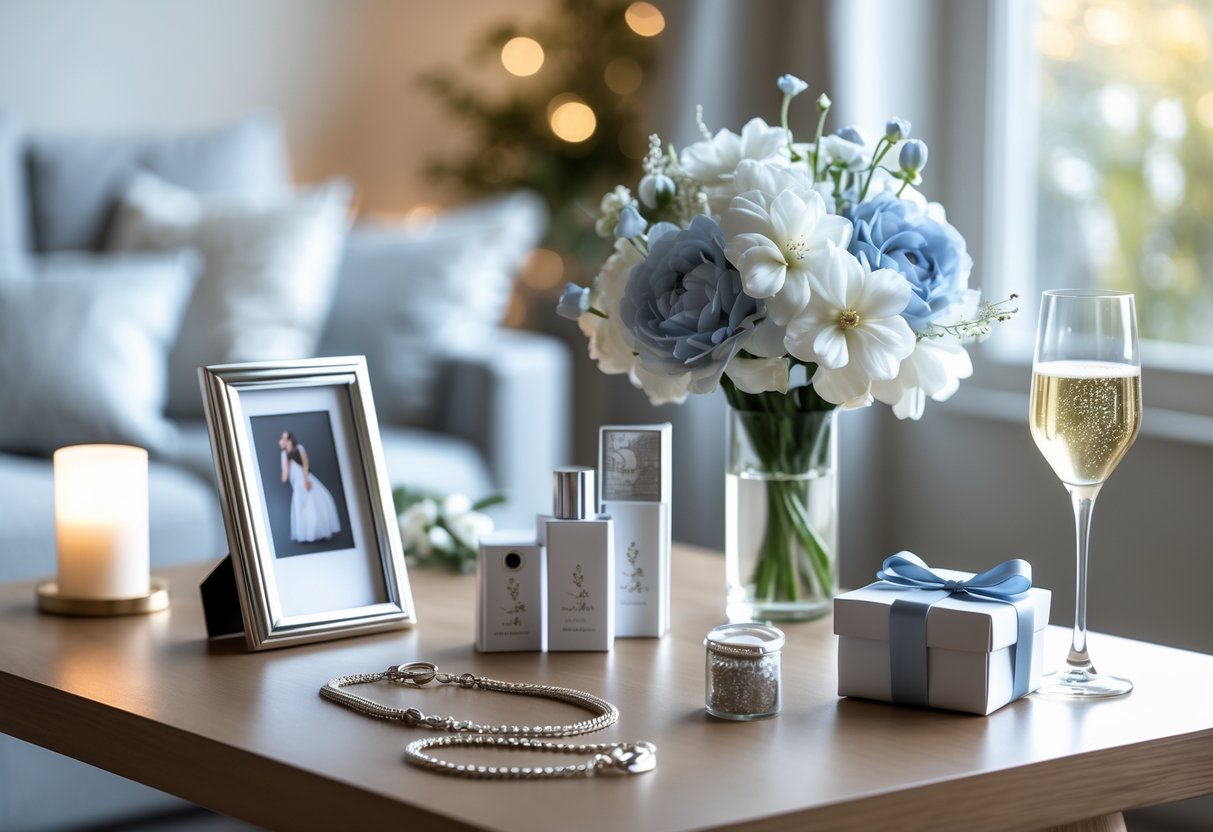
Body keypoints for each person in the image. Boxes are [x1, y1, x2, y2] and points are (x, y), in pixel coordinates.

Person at [279, 431, 342, 543]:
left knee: (315, 505)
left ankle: (322, 531)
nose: (282, 440)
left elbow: (305, 464)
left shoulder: (298, 448)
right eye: (282, 438)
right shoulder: (284, 454)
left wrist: (305, 480)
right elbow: (285, 476)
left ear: (290, 440)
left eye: (285, 438)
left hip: (305, 480)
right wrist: (284, 456)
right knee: (303, 508)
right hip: (296, 485)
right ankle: (308, 534)